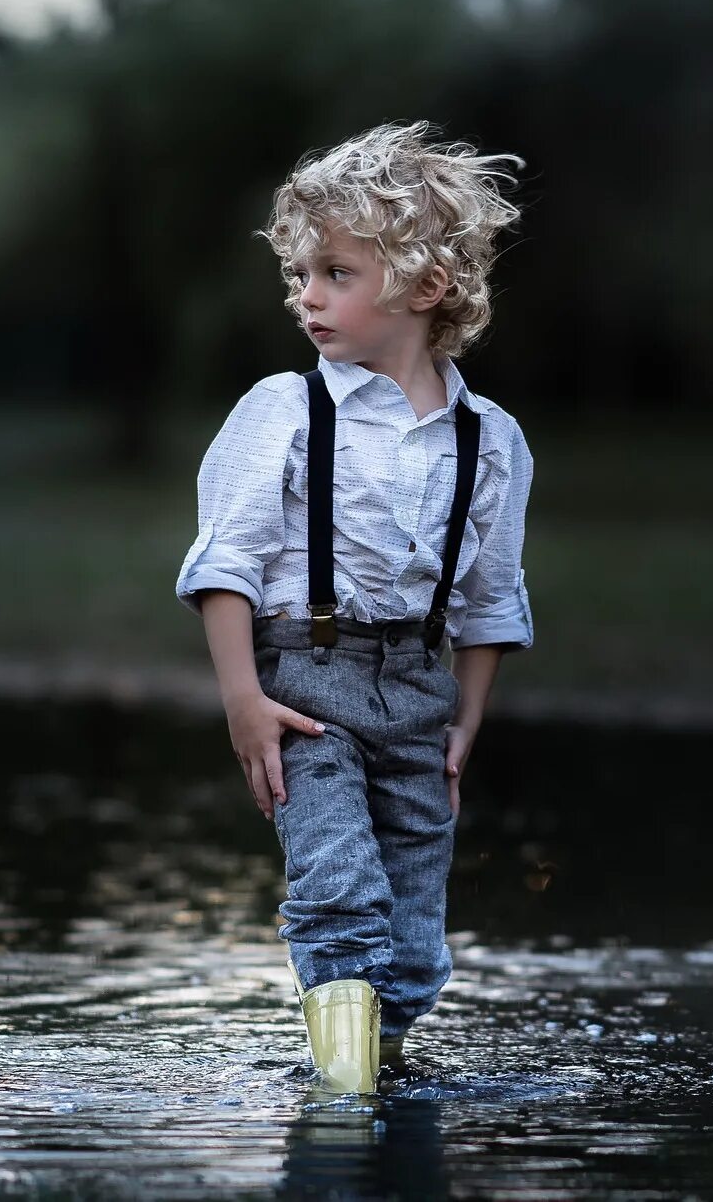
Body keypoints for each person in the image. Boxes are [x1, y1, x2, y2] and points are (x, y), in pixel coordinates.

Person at [175, 121, 534, 1093]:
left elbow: (490, 601)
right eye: (299, 273)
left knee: (414, 952)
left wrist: (464, 720)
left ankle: (375, 1078)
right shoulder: (283, 410)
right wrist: (245, 702)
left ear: (426, 288)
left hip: (417, 695)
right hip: (304, 687)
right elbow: (224, 567)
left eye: (335, 272)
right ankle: (342, 1119)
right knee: (340, 895)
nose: (305, 295)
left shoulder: (488, 442)